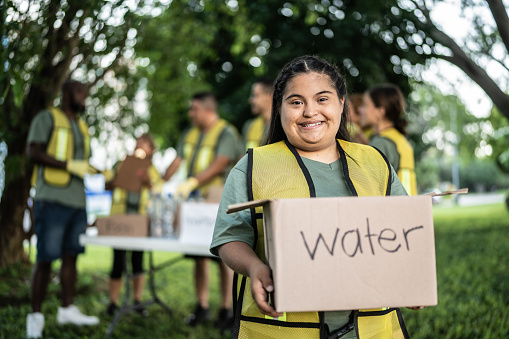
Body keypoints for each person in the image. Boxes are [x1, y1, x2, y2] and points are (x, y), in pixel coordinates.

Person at [210, 55, 422, 339]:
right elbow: (229, 236)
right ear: (279, 108)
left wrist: (411, 277)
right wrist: (254, 266)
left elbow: (404, 234)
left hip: (371, 330)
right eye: (296, 102)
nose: (310, 111)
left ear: (342, 104)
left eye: (322, 99)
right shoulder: (251, 167)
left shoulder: (374, 162)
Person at [26, 80, 99, 338]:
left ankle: (66, 309)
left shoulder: (81, 125)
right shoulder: (47, 118)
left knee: (71, 256)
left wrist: (96, 170)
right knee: (46, 257)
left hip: (78, 202)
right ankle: (35, 316)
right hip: (52, 199)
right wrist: (68, 165)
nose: (84, 99)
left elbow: (82, 161)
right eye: (80, 93)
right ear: (67, 93)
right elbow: (33, 152)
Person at [163, 92, 239, 330]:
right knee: (199, 254)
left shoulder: (226, 132)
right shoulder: (190, 133)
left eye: (194, 109)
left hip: (218, 200)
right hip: (195, 203)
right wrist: (161, 179)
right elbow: (177, 160)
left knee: (223, 256)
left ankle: (226, 309)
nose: (191, 114)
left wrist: (193, 181)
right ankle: (202, 306)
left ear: (208, 110)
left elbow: (220, 162)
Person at [105, 133, 162, 317]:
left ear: (151, 149)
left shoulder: (152, 169)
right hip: (120, 218)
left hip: (140, 220)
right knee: (117, 261)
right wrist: (117, 179)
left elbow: (157, 191)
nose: (140, 145)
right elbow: (107, 185)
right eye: (138, 141)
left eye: (145, 142)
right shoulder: (121, 163)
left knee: (138, 260)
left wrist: (148, 181)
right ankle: (113, 303)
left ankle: (137, 300)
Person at [360, 84, 418, 195]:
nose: (360, 109)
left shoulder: (381, 143)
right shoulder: (398, 138)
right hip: (408, 207)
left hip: (393, 209)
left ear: (380, 112)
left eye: (365, 105)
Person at [242, 78, 274, 151]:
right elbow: (243, 158)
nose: (250, 100)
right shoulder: (249, 126)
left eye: (255, 95)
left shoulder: (285, 127)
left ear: (269, 96)